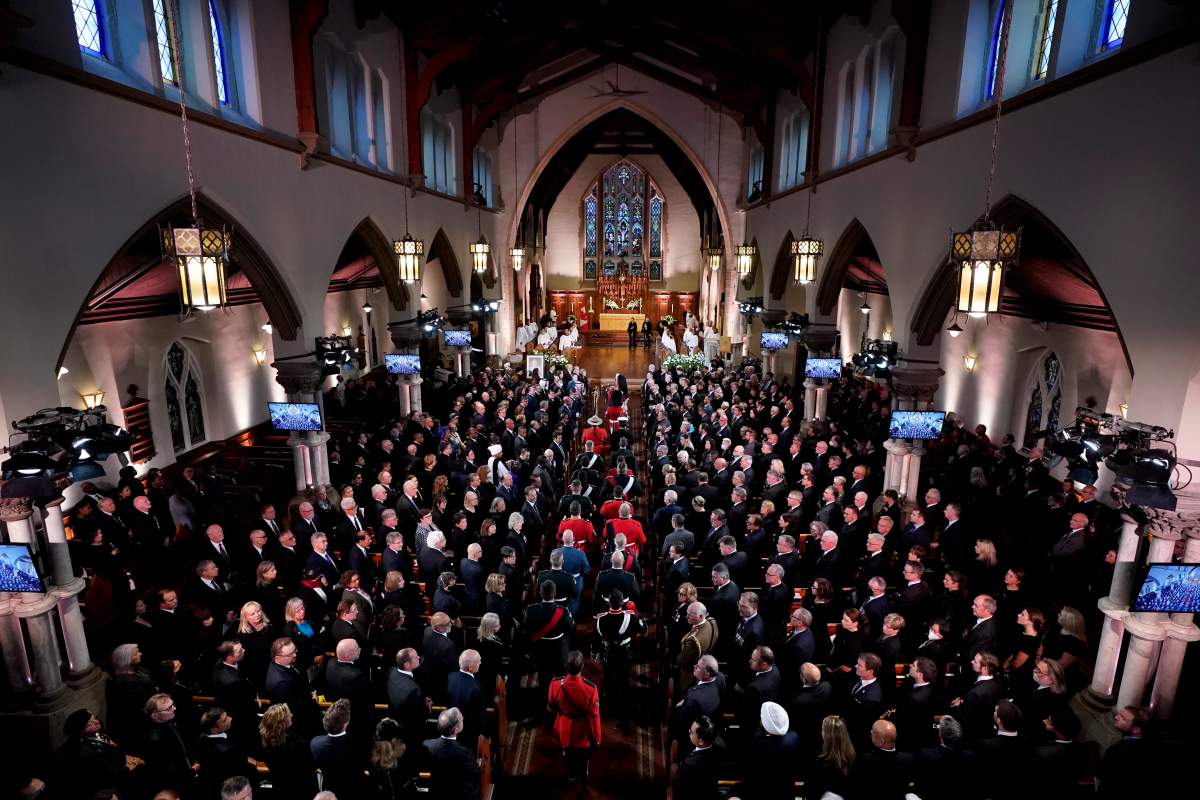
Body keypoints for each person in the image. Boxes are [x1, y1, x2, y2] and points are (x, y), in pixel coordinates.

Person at [547, 650, 601, 793]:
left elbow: (551, 707)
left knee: (568, 754)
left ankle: (571, 775)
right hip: (583, 733)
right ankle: (583, 778)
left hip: (564, 728)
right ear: (582, 666)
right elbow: (595, 716)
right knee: (583, 758)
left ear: (566, 666)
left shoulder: (555, 684)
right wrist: (597, 737)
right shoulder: (591, 689)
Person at [594, 589, 645, 731]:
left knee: (609, 680)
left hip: (608, 654)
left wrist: (594, 653)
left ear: (608, 602)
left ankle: (609, 710)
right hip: (624, 654)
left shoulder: (601, 619)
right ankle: (624, 717)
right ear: (622, 602)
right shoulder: (630, 617)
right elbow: (643, 630)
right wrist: (637, 616)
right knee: (624, 682)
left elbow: (596, 640)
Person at [423, 707, 482, 800]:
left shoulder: (426, 745)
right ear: (456, 730)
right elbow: (475, 778)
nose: (463, 719)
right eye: (461, 719)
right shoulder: (465, 754)